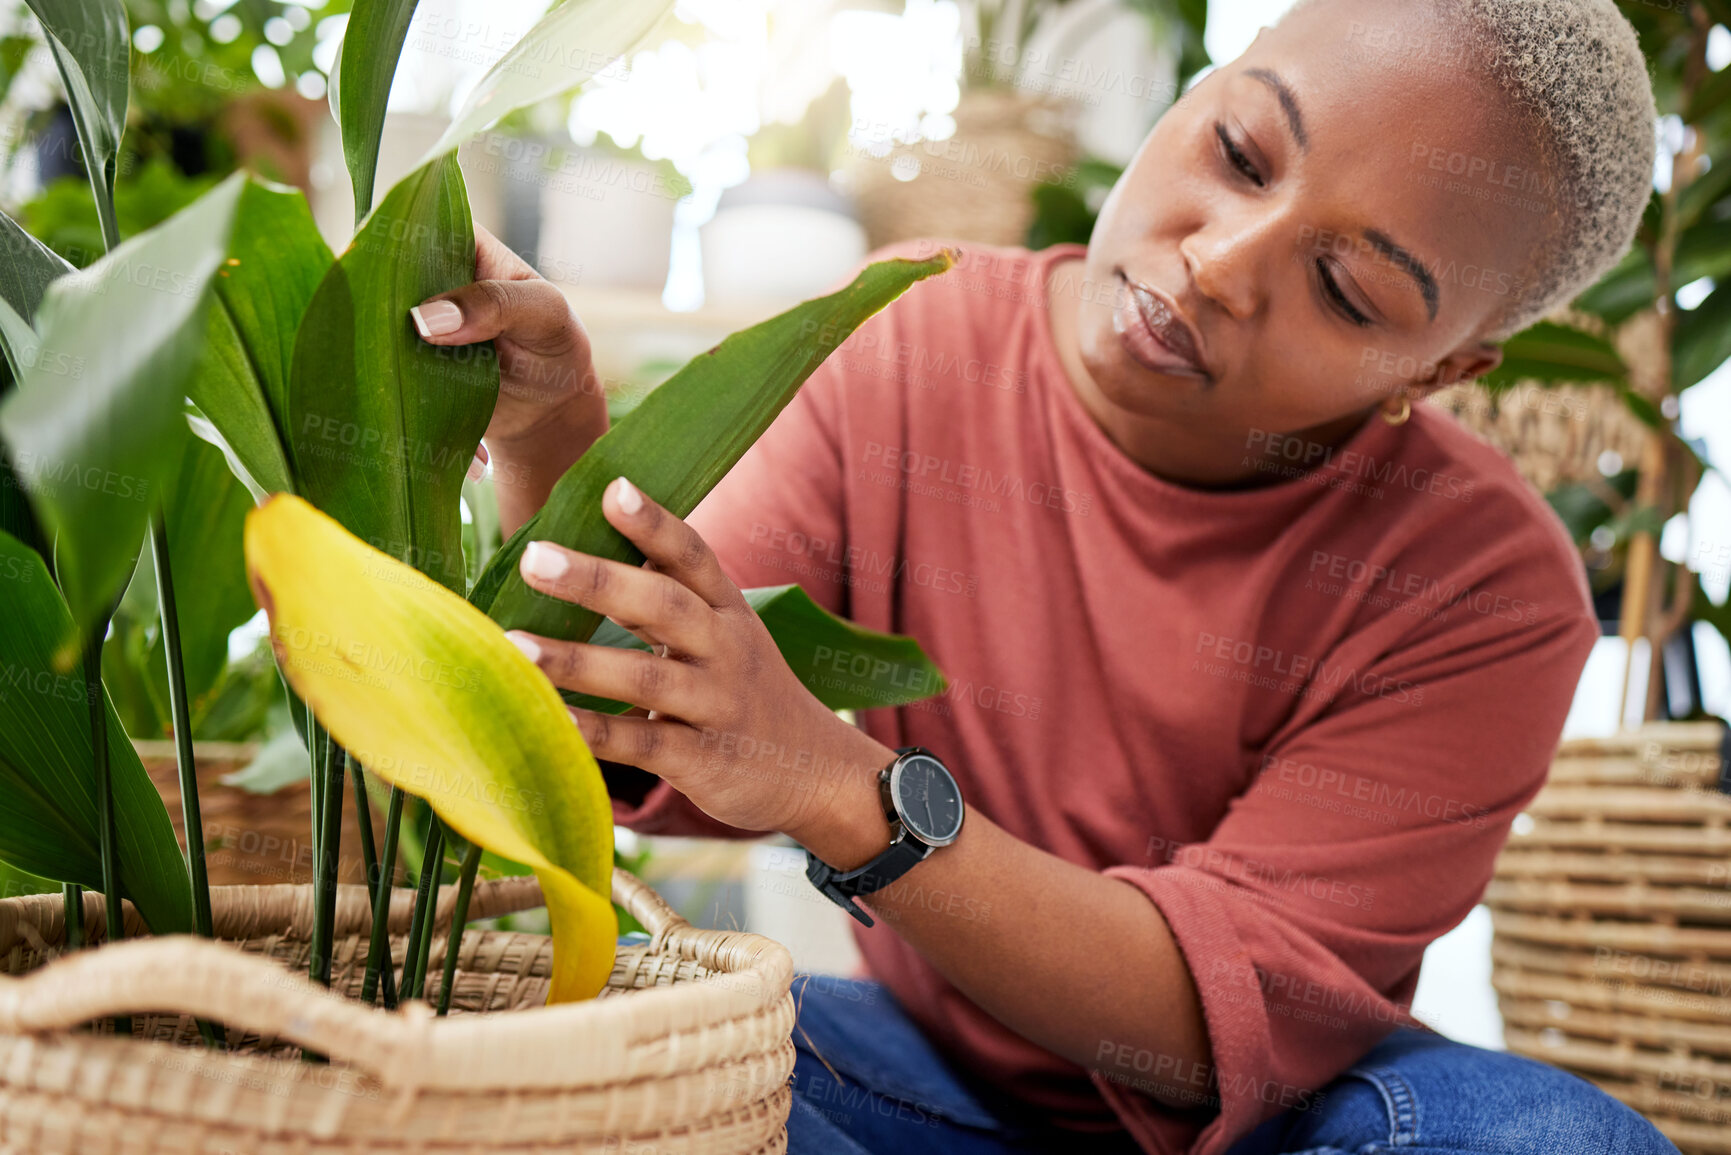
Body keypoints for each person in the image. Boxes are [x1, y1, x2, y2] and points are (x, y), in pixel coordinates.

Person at [406, 0, 1680, 1150]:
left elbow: (1202, 1029)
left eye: (1345, 290)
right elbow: (640, 710)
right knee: (617, 1075)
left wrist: (837, 785)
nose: (1221, 264)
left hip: (1276, 1130)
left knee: (1559, 1145)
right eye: (1239, 154)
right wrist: (546, 430)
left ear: (1439, 374)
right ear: (1199, 89)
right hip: (916, 1078)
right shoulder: (913, 336)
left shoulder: (1487, 585)